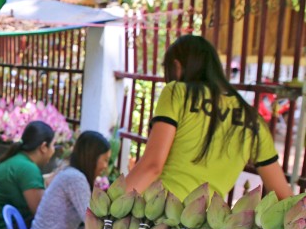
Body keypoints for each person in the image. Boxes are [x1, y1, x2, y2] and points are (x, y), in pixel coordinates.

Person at [124, 35, 292, 200]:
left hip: (159, 213)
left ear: (177, 66)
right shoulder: (252, 119)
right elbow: (283, 194)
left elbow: (152, 166)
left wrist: (107, 207)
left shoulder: (178, 92)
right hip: (203, 223)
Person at [28, 131, 111, 229]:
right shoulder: (75, 178)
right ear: (92, 157)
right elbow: (92, 221)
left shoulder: (69, 171)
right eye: (105, 160)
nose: (106, 166)